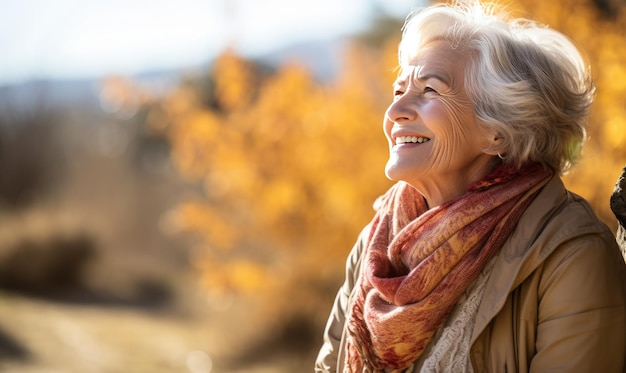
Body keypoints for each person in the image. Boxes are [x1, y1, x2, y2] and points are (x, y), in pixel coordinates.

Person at [315, 1, 626, 372]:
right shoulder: (377, 243)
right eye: (399, 92)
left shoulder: (571, 254)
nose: (395, 112)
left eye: (429, 90)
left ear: (496, 131)